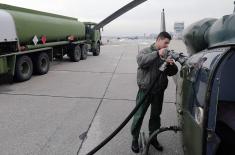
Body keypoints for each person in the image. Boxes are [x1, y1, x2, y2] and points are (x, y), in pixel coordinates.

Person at [131, 32, 178, 153]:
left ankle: (153, 138)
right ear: (159, 40)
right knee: (139, 116)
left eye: (168, 43)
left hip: (158, 92)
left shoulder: (166, 53)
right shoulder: (145, 51)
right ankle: (135, 139)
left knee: (156, 117)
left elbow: (172, 72)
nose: (167, 46)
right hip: (145, 92)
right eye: (165, 43)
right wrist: (157, 53)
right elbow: (141, 61)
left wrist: (171, 65)